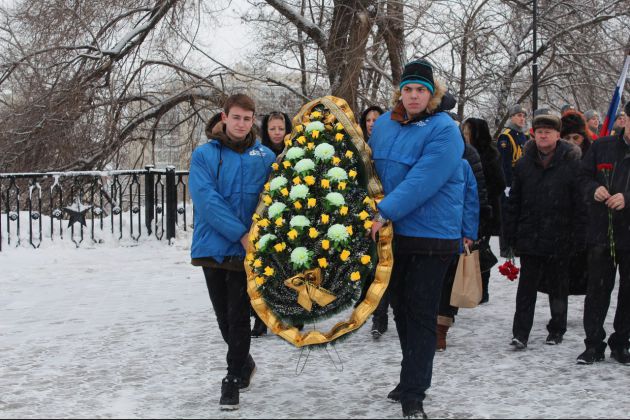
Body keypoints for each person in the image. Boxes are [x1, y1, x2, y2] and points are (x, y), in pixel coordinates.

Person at [369, 59, 470, 419]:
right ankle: (409, 377)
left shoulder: (445, 130)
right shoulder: (384, 124)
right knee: (400, 308)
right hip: (394, 234)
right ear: (400, 92)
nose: (413, 96)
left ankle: (415, 393)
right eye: (408, 89)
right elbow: (369, 170)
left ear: (432, 94)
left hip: (432, 234)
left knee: (422, 312)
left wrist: (384, 211)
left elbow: (424, 179)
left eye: (421, 90)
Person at [189, 94, 275, 410]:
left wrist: (257, 234)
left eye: (247, 119)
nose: (241, 124)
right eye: (236, 117)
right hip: (214, 245)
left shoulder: (265, 156)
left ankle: (232, 379)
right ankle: (245, 363)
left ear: (253, 121)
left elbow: (273, 198)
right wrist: (240, 233)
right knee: (224, 317)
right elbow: (206, 199)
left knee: (239, 315)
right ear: (224, 117)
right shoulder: (204, 155)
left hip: (247, 249)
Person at [505, 114, 586, 350]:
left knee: (558, 287)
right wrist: (509, 236)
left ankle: (557, 329)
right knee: (526, 289)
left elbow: (580, 203)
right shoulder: (524, 163)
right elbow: (514, 202)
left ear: (558, 135)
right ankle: (520, 333)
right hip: (530, 235)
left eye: (548, 132)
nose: (543, 136)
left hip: (561, 235)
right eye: (539, 132)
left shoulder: (571, 163)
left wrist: (579, 235)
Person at [577, 100, 630, 365]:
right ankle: (593, 344)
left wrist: (627, 198)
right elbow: (582, 177)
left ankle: (622, 342)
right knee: (597, 290)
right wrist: (593, 189)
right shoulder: (602, 146)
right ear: (625, 119)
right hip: (602, 230)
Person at [250, 111, 293, 338]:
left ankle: (292, 315)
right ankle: (261, 318)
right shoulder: (259, 153)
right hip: (265, 214)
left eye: (281, 128)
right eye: (272, 129)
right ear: (266, 131)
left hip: (291, 215)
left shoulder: (295, 150)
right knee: (265, 268)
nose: (277, 133)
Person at [462, 117, 506, 303]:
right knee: (469, 250)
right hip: (470, 207)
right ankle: (470, 287)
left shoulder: (490, 154)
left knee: (481, 250)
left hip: (485, 209)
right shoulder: (463, 152)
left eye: (468, 132)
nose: (465, 136)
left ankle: (483, 290)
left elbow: (499, 182)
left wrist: (483, 196)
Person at [498, 104, 528, 258]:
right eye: (519, 115)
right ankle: (506, 247)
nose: (522, 119)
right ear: (511, 117)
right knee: (507, 215)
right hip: (510, 180)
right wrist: (507, 184)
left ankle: (516, 244)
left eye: (523, 116)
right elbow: (505, 163)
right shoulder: (506, 136)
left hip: (521, 179)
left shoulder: (523, 136)